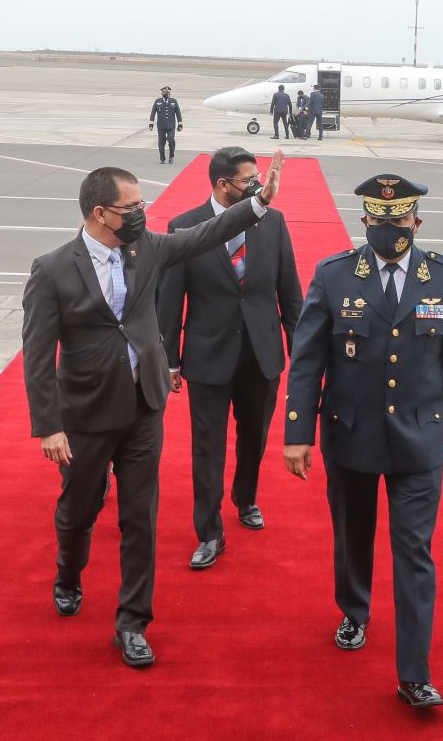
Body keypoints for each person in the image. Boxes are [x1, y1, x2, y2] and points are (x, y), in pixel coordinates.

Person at [21, 155, 284, 669]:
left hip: (145, 407)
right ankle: (68, 573)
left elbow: (205, 233)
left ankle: (132, 622)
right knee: (78, 511)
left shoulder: (148, 248)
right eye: (133, 206)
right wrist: (48, 425)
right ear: (100, 213)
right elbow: (37, 356)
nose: (142, 212)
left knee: (139, 517)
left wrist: (259, 202)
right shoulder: (52, 269)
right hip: (86, 415)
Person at [283, 173, 443, 710]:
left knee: (414, 550)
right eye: (380, 221)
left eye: (400, 221)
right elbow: (307, 362)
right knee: (353, 532)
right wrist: (297, 433)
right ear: (365, 221)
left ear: (417, 222)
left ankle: (415, 674)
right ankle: (354, 609)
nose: (390, 229)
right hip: (351, 431)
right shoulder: (335, 276)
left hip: (419, 435)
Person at [156, 147, 302, 570]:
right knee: (207, 447)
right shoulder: (184, 226)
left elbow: (289, 291)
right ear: (223, 185)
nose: (258, 185)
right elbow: (171, 298)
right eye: (249, 180)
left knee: (254, 437)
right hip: (208, 355)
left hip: (261, 353)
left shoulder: (272, 222)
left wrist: (302, 353)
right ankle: (209, 531)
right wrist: (170, 359)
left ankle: (246, 497)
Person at [149, 85, 183, 165]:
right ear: (162, 93)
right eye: (165, 93)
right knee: (161, 142)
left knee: (171, 140)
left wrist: (180, 123)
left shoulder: (173, 101)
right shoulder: (157, 101)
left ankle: (171, 156)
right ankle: (162, 158)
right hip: (161, 126)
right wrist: (151, 123)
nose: (166, 94)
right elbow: (153, 112)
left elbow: (178, 113)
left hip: (171, 126)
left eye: (168, 93)